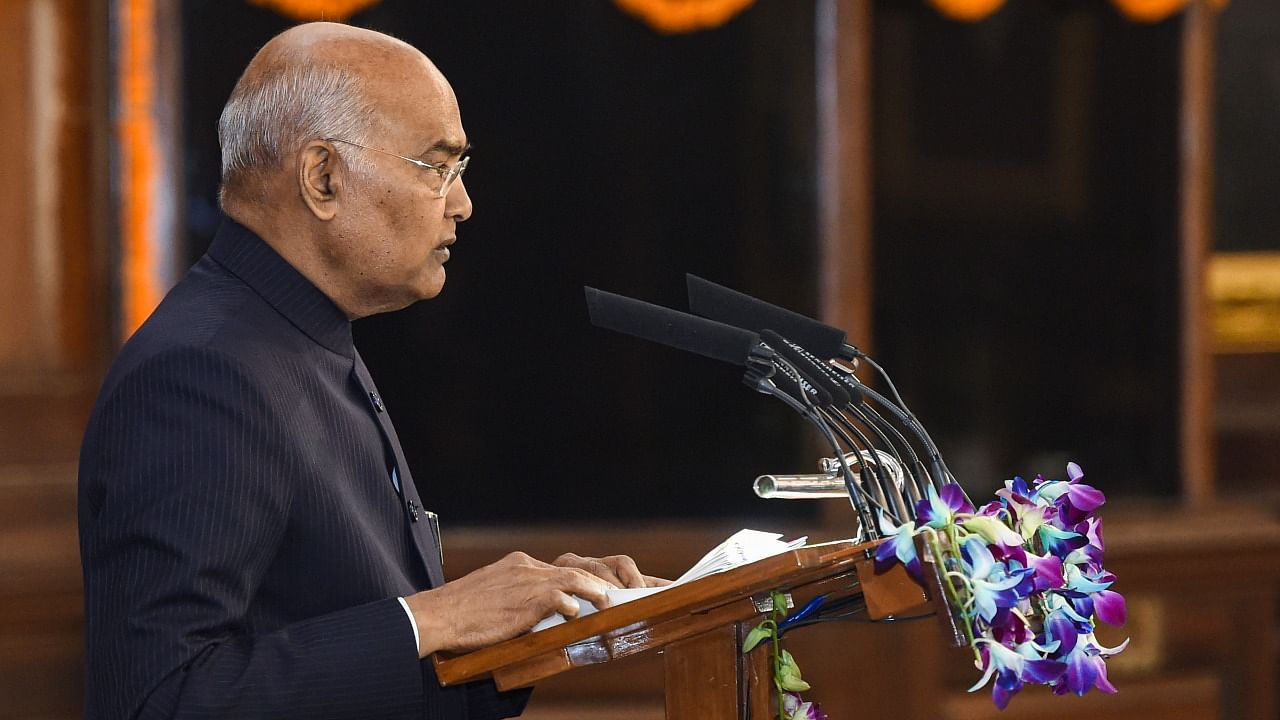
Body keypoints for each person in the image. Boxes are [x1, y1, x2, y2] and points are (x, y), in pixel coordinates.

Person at [78, 22, 660, 720]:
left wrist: (534, 618)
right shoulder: (200, 372)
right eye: (438, 167)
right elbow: (161, 699)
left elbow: (344, 643)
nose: (463, 204)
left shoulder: (300, 333)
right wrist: (433, 620)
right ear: (323, 177)